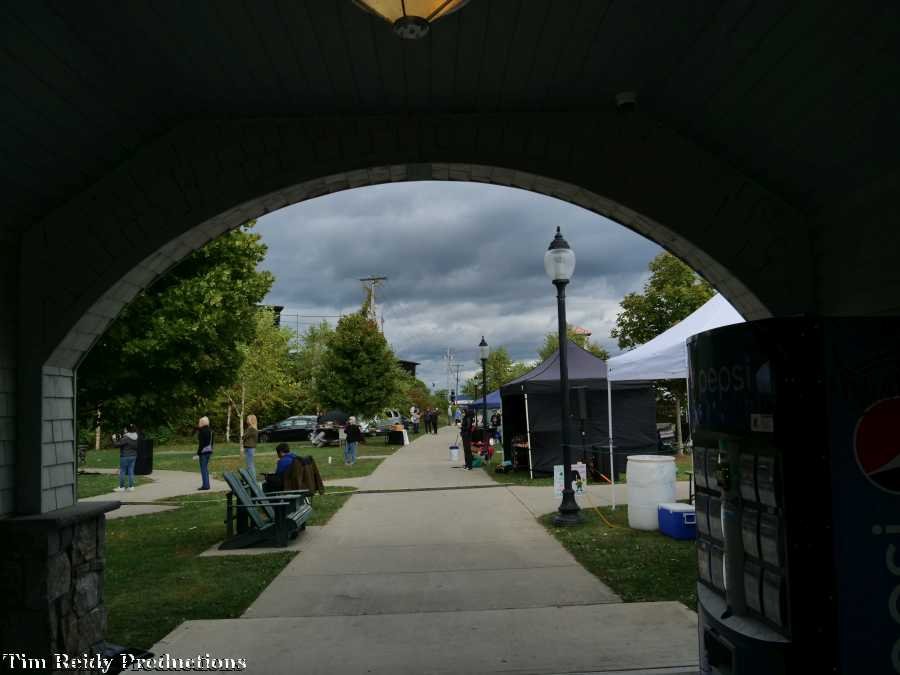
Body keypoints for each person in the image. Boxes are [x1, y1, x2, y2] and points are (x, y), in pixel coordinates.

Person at [112, 424, 139, 492]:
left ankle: (122, 487)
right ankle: (131, 487)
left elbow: (116, 445)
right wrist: (121, 438)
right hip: (133, 456)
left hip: (125, 456)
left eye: (125, 429)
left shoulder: (126, 438)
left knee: (123, 471)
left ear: (128, 430)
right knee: (131, 471)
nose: (124, 430)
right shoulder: (136, 436)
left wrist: (114, 439)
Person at [196, 416, 214, 490]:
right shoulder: (211, 431)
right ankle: (206, 484)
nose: (198, 423)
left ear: (202, 423)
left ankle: (205, 485)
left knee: (203, 468)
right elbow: (211, 442)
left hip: (203, 452)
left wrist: (198, 452)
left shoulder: (202, 431)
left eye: (199, 422)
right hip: (209, 450)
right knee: (205, 468)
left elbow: (201, 444)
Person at [242, 414, 259, 480]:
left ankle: (252, 479)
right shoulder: (252, 428)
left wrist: (243, 436)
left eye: (247, 419)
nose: (246, 420)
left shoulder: (251, 429)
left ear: (251, 420)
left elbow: (244, 436)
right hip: (250, 448)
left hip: (249, 448)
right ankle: (252, 478)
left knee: (250, 465)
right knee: (250, 464)